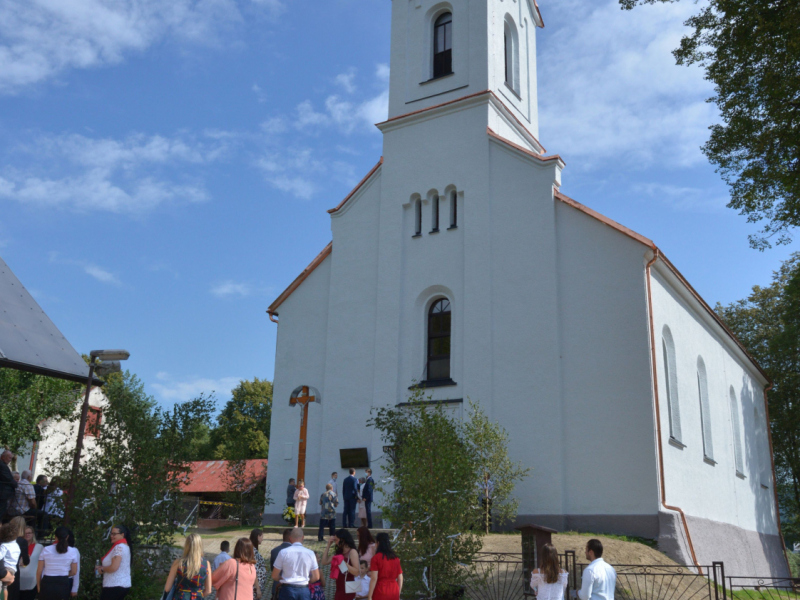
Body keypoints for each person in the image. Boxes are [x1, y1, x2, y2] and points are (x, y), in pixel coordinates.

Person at [271, 527, 320, 600]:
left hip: (287, 589)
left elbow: (274, 575)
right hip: (304, 589)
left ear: (290, 538)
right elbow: (316, 576)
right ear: (303, 537)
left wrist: (282, 579)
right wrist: (307, 580)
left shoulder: (283, 552)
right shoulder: (310, 553)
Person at [164, 533, 212, 600]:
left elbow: (167, 588)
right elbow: (208, 590)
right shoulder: (206, 564)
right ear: (200, 546)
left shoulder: (178, 563)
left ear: (186, 545)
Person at [36, 526, 77, 600]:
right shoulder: (72, 551)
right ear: (67, 537)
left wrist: (38, 586)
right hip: (63, 582)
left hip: (47, 582)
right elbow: (74, 572)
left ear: (55, 537)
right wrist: (62, 573)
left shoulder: (46, 550)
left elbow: (39, 570)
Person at [95, 525, 132, 600]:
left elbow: (114, 567)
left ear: (122, 534)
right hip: (122, 585)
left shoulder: (119, 547)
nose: (111, 536)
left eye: (114, 534)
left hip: (114, 585)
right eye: (111, 534)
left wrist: (102, 569)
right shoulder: (125, 546)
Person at [320, 529, 359, 600]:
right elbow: (324, 562)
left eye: (337, 540)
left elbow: (356, 571)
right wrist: (328, 545)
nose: (336, 543)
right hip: (339, 586)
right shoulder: (339, 552)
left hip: (350, 586)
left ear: (343, 539)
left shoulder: (352, 552)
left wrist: (345, 564)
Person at [366, 532, 402, 600]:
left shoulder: (376, 558)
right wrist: (398, 593)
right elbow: (400, 577)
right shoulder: (396, 558)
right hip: (394, 589)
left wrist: (369, 596)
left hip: (380, 589)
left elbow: (374, 578)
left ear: (378, 543)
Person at [2, 518, 27, 600]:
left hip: (4, 568)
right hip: (14, 570)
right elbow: (26, 561)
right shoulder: (20, 542)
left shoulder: (4, 542)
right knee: (12, 594)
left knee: (3, 589)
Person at [19, 526, 42, 600]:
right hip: (18, 579)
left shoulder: (39, 547)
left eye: (29, 533)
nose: (27, 535)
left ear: (33, 534)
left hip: (33, 580)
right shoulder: (17, 546)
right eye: (25, 533)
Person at [269, 530, 292, 600]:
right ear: (291, 538)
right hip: (291, 588)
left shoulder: (274, 551)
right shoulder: (296, 552)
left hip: (277, 586)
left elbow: (272, 568)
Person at [0, 452, 18, 522]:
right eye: (9, 457)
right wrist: (16, 484)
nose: (10, 460)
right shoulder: (2, 466)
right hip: (2, 494)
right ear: (3, 457)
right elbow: (8, 479)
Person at [250, 529, 268, 600]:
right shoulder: (252, 550)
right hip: (255, 587)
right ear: (258, 536)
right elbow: (254, 570)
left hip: (257, 586)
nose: (262, 539)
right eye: (262, 536)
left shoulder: (253, 549)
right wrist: (257, 589)